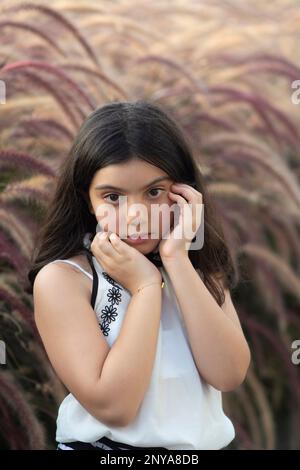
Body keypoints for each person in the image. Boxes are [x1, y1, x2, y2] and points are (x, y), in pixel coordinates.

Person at [27, 100, 251, 451]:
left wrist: (175, 257)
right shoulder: (65, 280)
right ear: (87, 199)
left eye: (154, 192)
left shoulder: (197, 269)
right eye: (113, 196)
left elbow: (228, 373)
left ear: (184, 194)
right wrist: (146, 287)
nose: (136, 215)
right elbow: (114, 406)